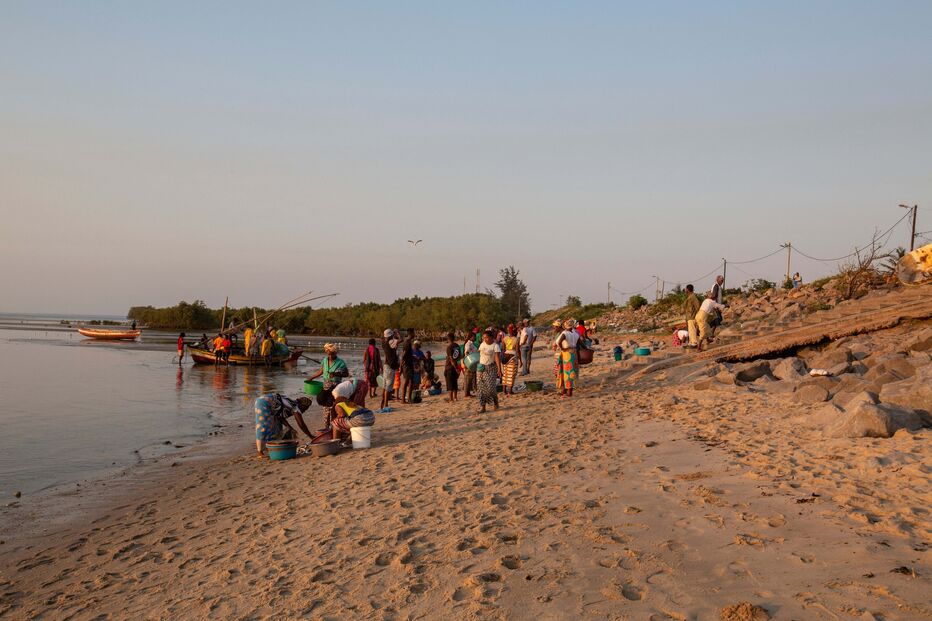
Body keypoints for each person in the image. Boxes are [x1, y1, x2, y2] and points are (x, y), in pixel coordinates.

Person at [477, 330, 502, 413]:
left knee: (491, 388)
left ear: (491, 337)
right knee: (481, 388)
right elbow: (479, 355)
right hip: (481, 368)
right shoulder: (482, 344)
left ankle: (495, 402)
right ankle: (483, 407)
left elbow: (497, 358)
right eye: (484, 338)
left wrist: (499, 369)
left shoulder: (495, 346)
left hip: (491, 368)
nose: (485, 339)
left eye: (486, 337)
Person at [556, 319, 580, 397]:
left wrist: (562, 348)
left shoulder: (565, 333)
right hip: (574, 353)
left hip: (567, 354)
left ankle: (569, 392)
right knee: (573, 372)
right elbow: (580, 343)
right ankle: (566, 390)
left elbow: (559, 342)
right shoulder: (575, 334)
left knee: (567, 372)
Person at [380, 329, 400, 410]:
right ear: (390, 336)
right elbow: (401, 340)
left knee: (385, 386)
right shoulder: (390, 342)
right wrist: (397, 333)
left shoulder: (383, 342)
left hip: (386, 365)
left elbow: (393, 346)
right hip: (390, 367)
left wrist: (393, 335)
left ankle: (382, 404)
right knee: (388, 387)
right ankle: (386, 405)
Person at [501, 325, 521, 395]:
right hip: (513, 357)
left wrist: (503, 357)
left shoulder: (504, 338)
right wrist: (520, 360)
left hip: (505, 357)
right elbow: (517, 350)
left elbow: (503, 349)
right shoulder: (516, 339)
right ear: (514, 331)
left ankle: (504, 391)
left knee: (505, 374)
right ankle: (510, 391)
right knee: (512, 374)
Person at [399, 329, 416, 404]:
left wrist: (413, 357)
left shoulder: (409, 342)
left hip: (409, 364)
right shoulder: (407, 342)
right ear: (411, 333)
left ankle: (409, 398)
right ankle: (403, 400)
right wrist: (400, 366)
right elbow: (403, 354)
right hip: (406, 365)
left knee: (411, 381)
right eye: (414, 332)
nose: (414, 334)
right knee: (406, 381)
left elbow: (407, 354)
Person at [444, 332, 461, 402]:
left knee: (450, 383)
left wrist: (456, 368)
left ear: (448, 338)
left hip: (450, 367)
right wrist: (458, 368)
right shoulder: (457, 345)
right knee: (455, 382)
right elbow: (459, 357)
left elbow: (451, 359)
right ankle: (455, 397)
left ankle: (451, 399)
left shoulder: (449, 347)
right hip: (456, 365)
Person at [683, 284, 701, 348]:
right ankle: (691, 342)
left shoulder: (693, 297)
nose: (685, 290)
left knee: (692, 330)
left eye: (686, 289)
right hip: (689, 316)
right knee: (690, 330)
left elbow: (697, 306)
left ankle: (694, 343)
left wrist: (697, 315)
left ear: (688, 289)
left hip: (692, 316)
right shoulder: (690, 297)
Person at [463, 332, 478, 397]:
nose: (475, 338)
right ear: (471, 337)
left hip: (472, 361)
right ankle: (466, 394)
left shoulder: (471, 343)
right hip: (470, 361)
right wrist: (469, 357)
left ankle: (468, 393)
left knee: (470, 378)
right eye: (474, 337)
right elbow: (467, 352)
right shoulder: (468, 344)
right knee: (468, 378)